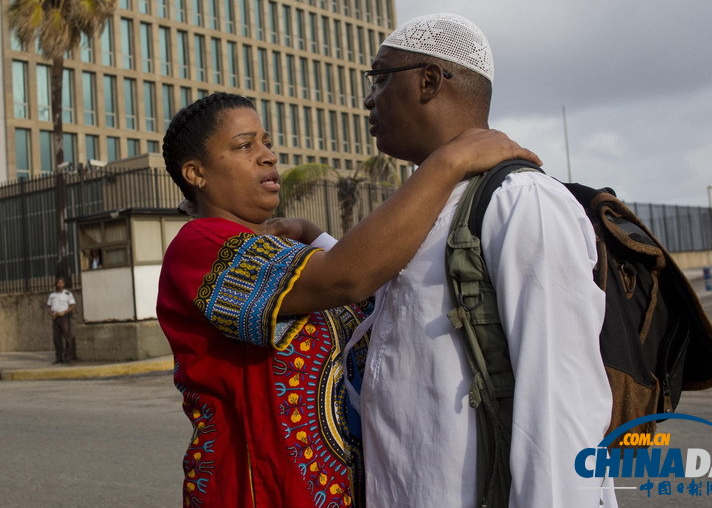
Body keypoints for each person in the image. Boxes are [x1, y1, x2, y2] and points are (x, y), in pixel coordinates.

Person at [156, 92, 539, 508]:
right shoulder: (200, 246)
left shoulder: (279, 252)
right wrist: (448, 163)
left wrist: (310, 232)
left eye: (267, 143)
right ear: (195, 173)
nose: (267, 156)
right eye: (245, 145)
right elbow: (346, 278)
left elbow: (372, 299)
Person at [352, 13, 616, 508]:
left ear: (428, 80)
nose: (369, 98)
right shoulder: (427, 203)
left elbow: (561, 404)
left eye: (380, 78)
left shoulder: (521, 201)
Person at [46, 277, 76, 364]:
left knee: (67, 336)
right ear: (56, 284)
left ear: (63, 284)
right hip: (55, 317)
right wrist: (50, 313)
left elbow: (73, 305)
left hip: (64, 316)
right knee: (57, 338)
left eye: (61, 283)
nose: (60, 284)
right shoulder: (52, 295)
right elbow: (48, 306)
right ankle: (58, 357)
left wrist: (64, 312)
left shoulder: (67, 294)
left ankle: (67, 357)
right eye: (58, 283)